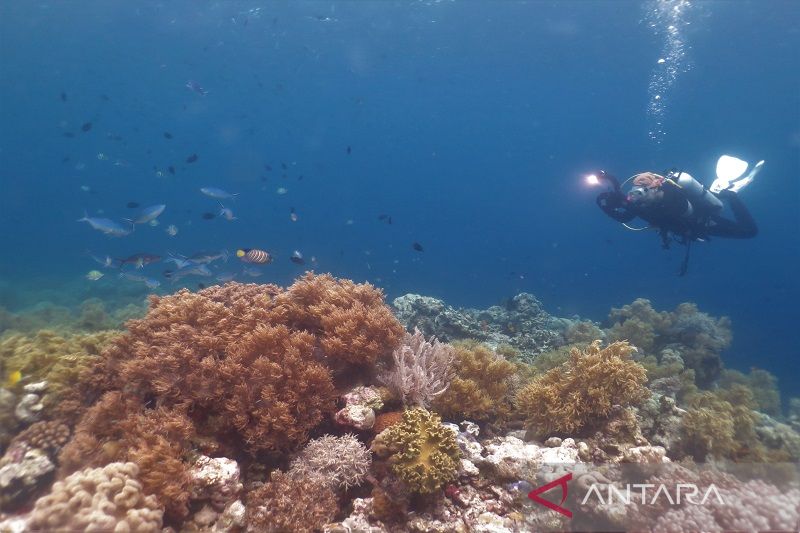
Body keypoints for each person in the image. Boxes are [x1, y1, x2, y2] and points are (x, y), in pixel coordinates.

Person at [592, 157, 762, 275]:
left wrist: (614, 204)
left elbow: (635, 216)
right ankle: (717, 191)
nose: (636, 196)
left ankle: (731, 195)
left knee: (750, 232)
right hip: (689, 221)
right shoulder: (643, 202)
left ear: (655, 187)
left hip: (704, 221)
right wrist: (610, 194)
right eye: (634, 191)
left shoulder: (670, 199)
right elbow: (627, 213)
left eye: (641, 192)